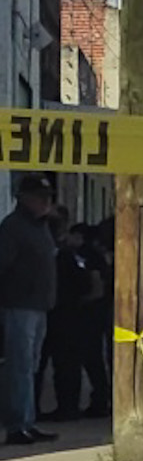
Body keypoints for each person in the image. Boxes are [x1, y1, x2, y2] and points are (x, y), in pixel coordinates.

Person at [0, 178, 57, 445]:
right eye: (39, 196)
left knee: (32, 366)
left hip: (39, 306)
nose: (45, 201)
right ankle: (16, 425)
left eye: (47, 196)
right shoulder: (13, 227)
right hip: (18, 306)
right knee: (19, 367)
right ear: (23, 197)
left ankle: (28, 421)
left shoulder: (41, 227)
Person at [42, 214, 111, 422]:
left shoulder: (80, 256)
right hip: (85, 314)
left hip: (82, 315)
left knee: (77, 361)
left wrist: (79, 303)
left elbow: (95, 286)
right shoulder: (78, 255)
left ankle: (86, 404)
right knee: (88, 361)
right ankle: (94, 402)